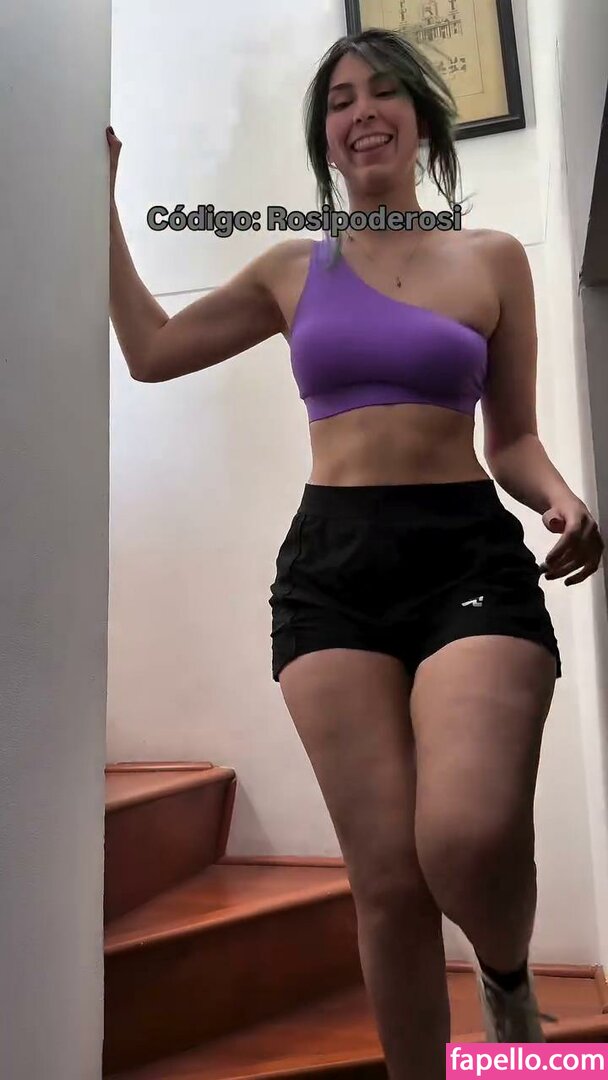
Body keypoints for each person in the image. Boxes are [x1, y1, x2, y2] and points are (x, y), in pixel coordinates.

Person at [107, 26, 604, 1080]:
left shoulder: (491, 258)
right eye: (339, 100)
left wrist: (560, 497)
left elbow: (511, 438)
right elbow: (150, 352)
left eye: (383, 93)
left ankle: (505, 984)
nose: (362, 112)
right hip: (330, 571)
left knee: (463, 836)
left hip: (466, 556)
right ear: (325, 138)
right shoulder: (293, 266)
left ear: (423, 118)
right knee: (385, 878)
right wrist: (93, 207)